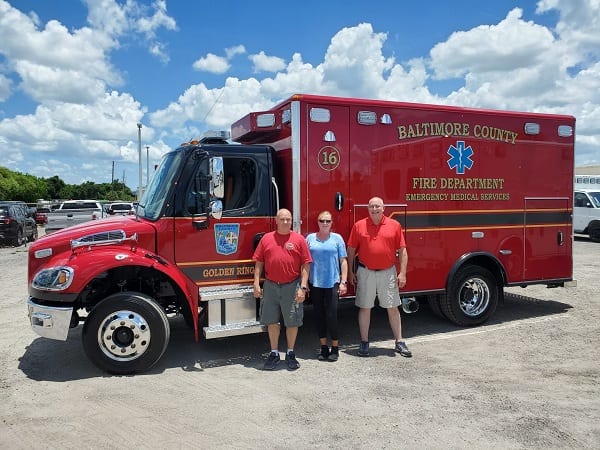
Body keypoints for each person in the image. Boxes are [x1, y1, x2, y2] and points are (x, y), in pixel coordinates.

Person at [347, 196, 412, 358]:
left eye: (377, 206)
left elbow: (403, 250)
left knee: (393, 307)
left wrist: (402, 273)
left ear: (384, 208)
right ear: (367, 208)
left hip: (388, 272)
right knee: (365, 307)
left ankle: (399, 342)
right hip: (365, 272)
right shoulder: (359, 226)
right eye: (371, 206)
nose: (374, 209)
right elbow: (350, 250)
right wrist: (350, 271)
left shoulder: (394, 225)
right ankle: (364, 342)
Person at [253, 208, 312, 370]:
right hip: (271, 286)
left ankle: (291, 353)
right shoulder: (266, 239)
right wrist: (256, 283)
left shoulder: (299, 239)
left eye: (288, 219)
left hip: (292, 286)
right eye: (283, 219)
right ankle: (274, 353)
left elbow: (306, 264)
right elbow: (259, 262)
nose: (286, 222)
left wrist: (303, 287)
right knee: (272, 321)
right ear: (276, 221)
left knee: (292, 321)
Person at [306, 211, 348, 362]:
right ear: (317, 222)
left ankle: (335, 348)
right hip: (315, 283)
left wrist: (343, 282)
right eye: (322, 220)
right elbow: (306, 262)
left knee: (332, 316)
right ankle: (324, 348)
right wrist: (304, 283)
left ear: (332, 223)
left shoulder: (337, 239)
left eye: (328, 221)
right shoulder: (310, 238)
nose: (324, 223)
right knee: (318, 315)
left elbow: (343, 261)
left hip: (332, 283)